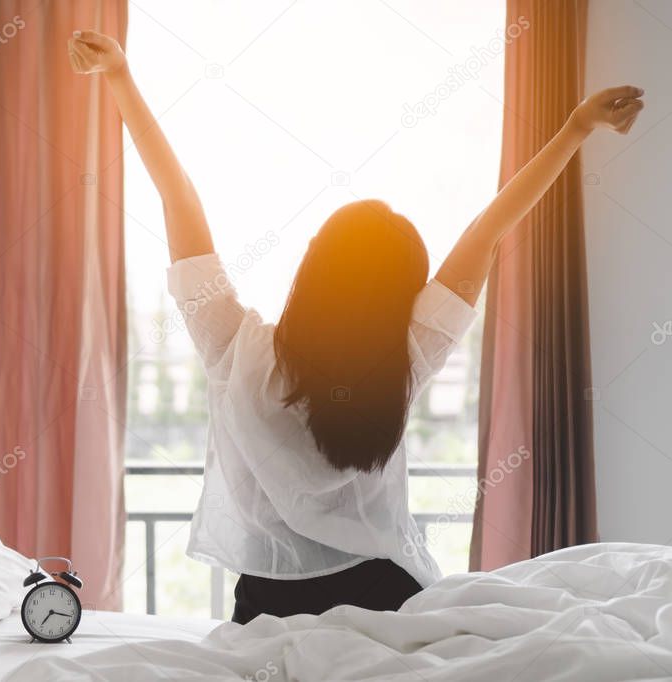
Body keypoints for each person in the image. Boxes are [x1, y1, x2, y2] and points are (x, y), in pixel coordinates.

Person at [68, 29, 644, 624]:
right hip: (388, 597)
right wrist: (577, 127)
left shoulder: (235, 349)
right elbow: (487, 232)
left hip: (268, 604)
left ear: (313, 266)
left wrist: (119, 78)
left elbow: (177, 196)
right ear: (403, 292)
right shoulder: (407, 354)